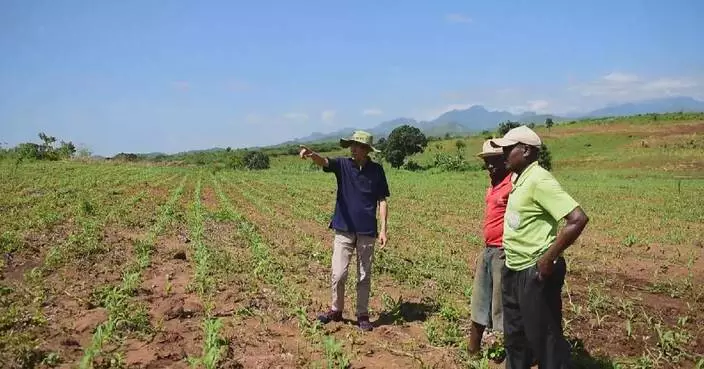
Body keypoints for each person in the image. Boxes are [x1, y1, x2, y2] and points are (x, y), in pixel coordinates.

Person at [489, 125, 589, 369]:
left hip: (533, 272)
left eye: (508, 149)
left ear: (525, 151)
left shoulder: (539, 179)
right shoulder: (518, 178)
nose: (503, 155)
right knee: (515, 338)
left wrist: (548, 259)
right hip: (513, 268)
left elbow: (578, 219)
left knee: (545, 340)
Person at [299, 130, 390, 332]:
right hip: (343, 228)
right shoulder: (343, 165)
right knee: (338, 273)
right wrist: (311, 154)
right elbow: (324, 162)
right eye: (352, 145)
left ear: (366, 150)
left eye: (357, 146)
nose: (353, 149)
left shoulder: (377, 171)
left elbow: (382, 200)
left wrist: (383, 229)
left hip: (367, 230)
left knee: (364, 275)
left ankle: (362, 314)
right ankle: (336, 309)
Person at [468, 140, 512, 355]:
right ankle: (472, 352)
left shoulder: (513, 185)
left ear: (506, 161)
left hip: (504, 252)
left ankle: (514, 357)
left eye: (495, 161)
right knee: (480, 300)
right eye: (487, 162)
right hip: (488, 250)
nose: (490, 167)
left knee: (502, 306)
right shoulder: (493, 186)